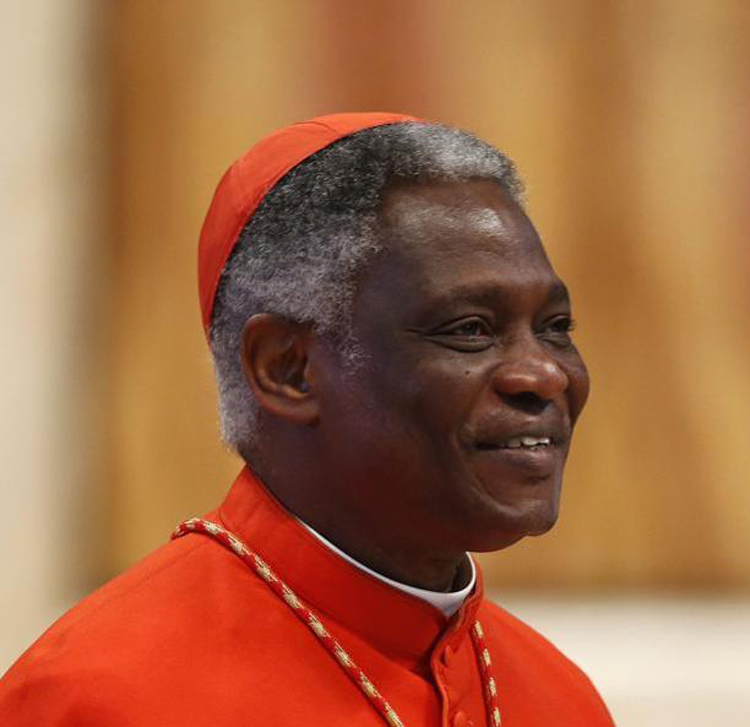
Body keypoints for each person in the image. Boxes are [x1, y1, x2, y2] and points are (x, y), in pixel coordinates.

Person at [0, 112, 614, 726]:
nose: (545, 376)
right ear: (287, 369)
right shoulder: (95, 699)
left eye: (555, 328)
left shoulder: (558, 698)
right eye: (470, 330)